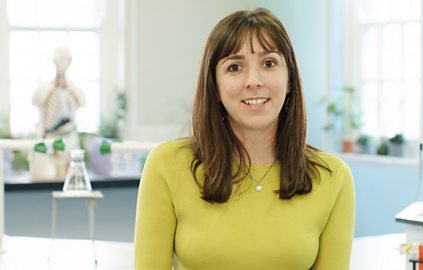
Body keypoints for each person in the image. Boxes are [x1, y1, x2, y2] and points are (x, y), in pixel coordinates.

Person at [135, 7, 355, 270]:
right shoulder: (167, 164)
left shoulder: (333, 177)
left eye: (269, 63)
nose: (253, 80)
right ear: (214, 86)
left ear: (290, 80)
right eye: (235, 67)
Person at [31, 47, 85, 180]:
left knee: (72, 180)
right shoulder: (44, 90)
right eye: (61, 59)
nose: (63, 63)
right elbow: (38, 102)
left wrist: (69, 90)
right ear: (54, 61)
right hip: (50, 139)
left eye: (67, 59)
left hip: (69, 139)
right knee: (44, 178)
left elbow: (82, 102)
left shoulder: (75, 90)